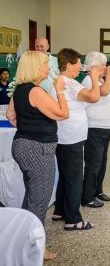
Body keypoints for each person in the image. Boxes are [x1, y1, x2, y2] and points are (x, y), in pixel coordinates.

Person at [6, 51, 69, 261]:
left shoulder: (20, 91)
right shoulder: (35, 92)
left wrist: (29, 128)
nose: (49, 68)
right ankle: (35, 250)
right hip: (37, 150)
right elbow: (62, 113)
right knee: (39, 201)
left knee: (32, 196)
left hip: (23, 146)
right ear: (34, 67)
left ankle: (22, 240)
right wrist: (60, 91)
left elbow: (10, 116)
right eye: (45, 65)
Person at [50, 48, 100, 229]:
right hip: (71, 137)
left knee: (65, 176)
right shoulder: (68, 83)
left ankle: (60, 211)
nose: (81, 66)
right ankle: (73, 220)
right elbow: (94, 96)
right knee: (74, 178)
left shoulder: (61, 81)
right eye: (79, 63)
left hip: (65, 135)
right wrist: (94, 78)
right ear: (69, 65)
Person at [81, 52, 110, 206]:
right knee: (94, 164)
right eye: (103, 65)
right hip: (95, 129)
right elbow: (103, 92)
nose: (106, 67)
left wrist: (106, 78)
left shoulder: (99, 79)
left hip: (106, 129)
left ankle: (98, 190)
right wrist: (109, 77)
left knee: (102, 162)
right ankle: (88, 197)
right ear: (94, 66)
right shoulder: (89, 80)